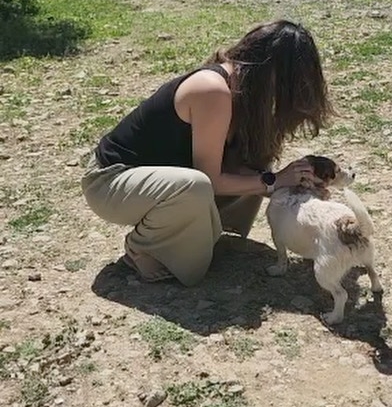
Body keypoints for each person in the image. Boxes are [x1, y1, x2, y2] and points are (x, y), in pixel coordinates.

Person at [81, 19, 335, 287]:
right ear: (274, 76)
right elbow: (209, 178)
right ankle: (143, 246)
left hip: (155, 185)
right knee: (198, 192)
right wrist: (274, 181)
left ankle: (198, 233)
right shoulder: (212, 90)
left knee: (254, 165)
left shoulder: (244, 96)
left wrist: (296, 183)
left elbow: (240, 167)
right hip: (109, 183)